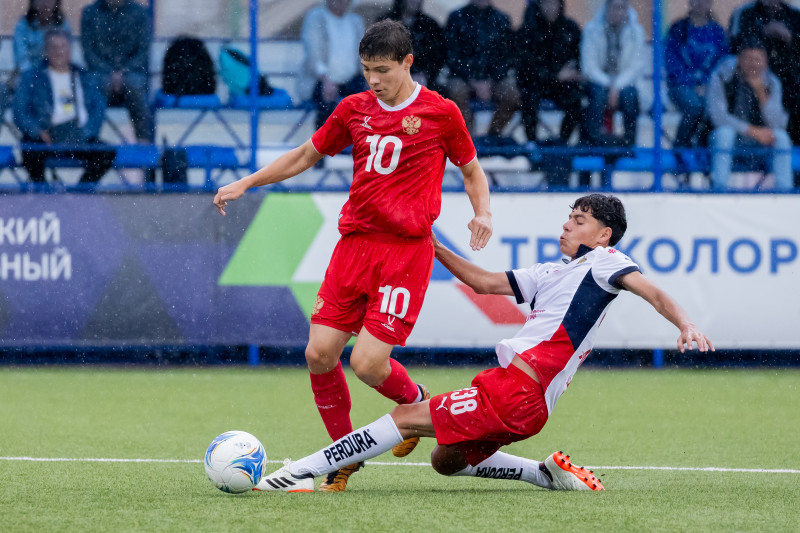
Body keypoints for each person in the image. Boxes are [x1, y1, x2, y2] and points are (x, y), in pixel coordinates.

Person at [254, 194, 714, 493]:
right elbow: (482, 282)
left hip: (518, 390)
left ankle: (297, 474)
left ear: (604, 235)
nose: (566, 227)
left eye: (579, 221)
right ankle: (545, 474)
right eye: (568, 218)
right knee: (445, 461)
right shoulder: (550, 273)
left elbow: (651, 291)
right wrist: (432, 245)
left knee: (405, 418)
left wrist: (685, 323)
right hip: (523, 401)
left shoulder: (606, 261)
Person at [213, 20, 493, 492]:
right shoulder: (353, 109)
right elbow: (305, 155)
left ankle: (415, 400)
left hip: (405, 252)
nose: (373, 80)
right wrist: (247, 182)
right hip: (354, 247)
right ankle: (343, 457)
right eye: (366, 70)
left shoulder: (440, 112)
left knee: (366, 364)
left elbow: (471, 171)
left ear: (407, 62)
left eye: (382, 70)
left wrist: (482, 212)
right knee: (319, 354)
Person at [13, 29, 116, 186]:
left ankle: (80, 192)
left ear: (70, 49)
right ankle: (42, 191)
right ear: (46, 51)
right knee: (29, 149)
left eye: (63, 46)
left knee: (106, 153)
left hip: (80, 136)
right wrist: (37, 131)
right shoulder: (32, 77)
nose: (59, 51)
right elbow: (20, 112)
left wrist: (86, 132)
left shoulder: (85, 77)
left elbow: (98, 109)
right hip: (46, 135)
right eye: (54, 47)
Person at [707, 36, 792, 191]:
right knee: (725, 133)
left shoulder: (772, 83)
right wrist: (752, 131)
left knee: (781, 137)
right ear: (739, 59)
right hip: (726, 139)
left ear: (765, 62)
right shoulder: (721, 76)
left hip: (757, 142)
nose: (753, 64)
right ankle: (720, 189)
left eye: (758, 59)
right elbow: (718, 117)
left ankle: (784, 190)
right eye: (748, 59)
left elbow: (778, 124)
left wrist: (761, 93)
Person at [80, 0, 153, 143]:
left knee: (135, 86)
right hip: (100, 72)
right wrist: (109, 72)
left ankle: (144, 141)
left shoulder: (140, 13)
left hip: (132, 72)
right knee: (93, 86)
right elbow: (88, 52)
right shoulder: (90, 13)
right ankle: (89, 140)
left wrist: (123, 72)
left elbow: (143, 52)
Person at [444, 0, 519, 138]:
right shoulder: (456, 17)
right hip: (463, 78)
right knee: (455, 91)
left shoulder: (502, 19)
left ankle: (493, 135)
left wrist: (491, 79)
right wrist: (472, 80)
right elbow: (451, 54)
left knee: (512, 94)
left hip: (494, 79)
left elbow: (508, 56)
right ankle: (468, 137)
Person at [664, 0, 728, 157]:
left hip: (709, 87)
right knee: (694, 107)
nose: (699, 3)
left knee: (713, 108)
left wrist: (707, 83)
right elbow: (672, 62)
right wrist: (691, 83)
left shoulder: (717, 32)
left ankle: (705, 150)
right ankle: (680, 149)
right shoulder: (678, 29)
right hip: (680, 86)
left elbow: (722, 64)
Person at [515, 0, 583, 145]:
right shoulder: (529, 30)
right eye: (546, 3)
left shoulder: (570, 28)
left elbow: (578, 57)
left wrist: (573, 71)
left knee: (576, 100)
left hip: (563, 85)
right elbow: (526, 66)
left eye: (554, 3)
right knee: (528, 99)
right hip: (535, 83)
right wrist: (555, 75)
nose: (550, 7)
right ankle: (532, 144)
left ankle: (562, 142)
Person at [580, 0, 646, 149]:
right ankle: (594, 142)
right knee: (597, 94)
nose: (617, 12)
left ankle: (629, 144)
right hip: (598, 83)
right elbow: (589, 67)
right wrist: (609, 85)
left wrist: (616, 86)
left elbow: (635, 67)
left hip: (625, 84)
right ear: (606, 7)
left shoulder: (636, 32)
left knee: (630, 96)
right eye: (614, 7)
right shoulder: (592, 29)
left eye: (621, 7)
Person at [301, 0, 367, 129]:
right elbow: (313, 53)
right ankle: (324, 139)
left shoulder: (355, 22)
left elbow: (363, 55)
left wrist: (368, 77)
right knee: (327, 103)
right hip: (320, 79)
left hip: (351, 79)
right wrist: (326, 79)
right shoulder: (316, 17)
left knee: (369, 100)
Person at [383, 0, 446, 93]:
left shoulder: (430, 25)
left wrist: (425, 74)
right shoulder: (385, 23)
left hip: (423, 79)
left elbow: (437, 57)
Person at [14, 0, 72, 73]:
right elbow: (22, 59)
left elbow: (65, 57)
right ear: (33, 2)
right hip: (29, 74)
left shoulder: (63, 25)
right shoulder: (23, 25)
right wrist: (34, 76)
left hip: (56, 73)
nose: (45, 3)